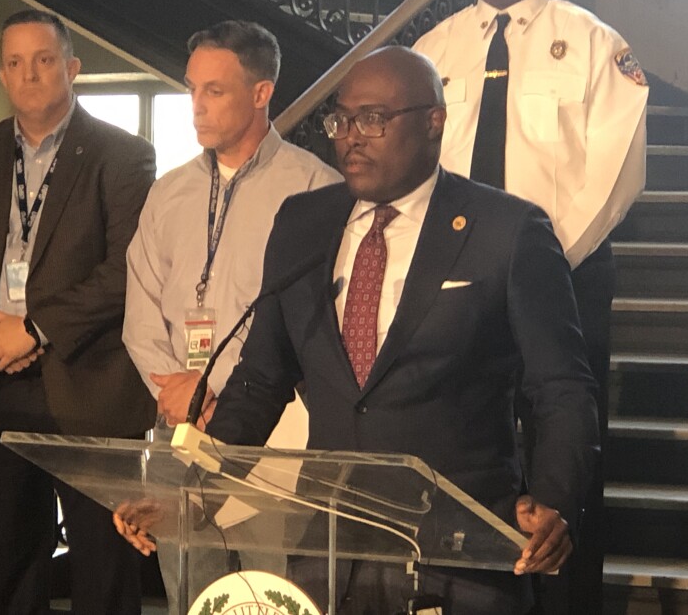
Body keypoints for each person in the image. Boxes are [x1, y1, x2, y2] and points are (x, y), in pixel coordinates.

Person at [203, 46, 599, 615]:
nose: (350, 138)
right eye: (340, 121)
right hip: (330, 552)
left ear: (434, 121)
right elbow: (261, 380)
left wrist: (556, 500)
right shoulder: (302, 223)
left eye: (373, 119)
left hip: (460, 556)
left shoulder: (506, 230)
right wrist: (198, 484)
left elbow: (562, 387)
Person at [413, 0, 649, 610]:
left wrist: (537, 266)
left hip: (565, 277)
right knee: (463, 441)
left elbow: (615, 172)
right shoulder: (433, 49)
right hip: (455, 287)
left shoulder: (596, 44)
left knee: (563, 457)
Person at [0, 10, 156, 614]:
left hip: (89, 386)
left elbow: (127, 268)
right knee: (12, 566)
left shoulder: (123, 156)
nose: (30, 74)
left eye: (44, 60)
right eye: (16, 62)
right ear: (2, 74)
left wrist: (34, 329)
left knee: (104, 569)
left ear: (72, 68)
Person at [116, 20, 341, 610]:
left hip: (275, 432)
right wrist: (180, 393)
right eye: (191, 89)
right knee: (190, 587)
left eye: (214, 91)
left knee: (277, 589)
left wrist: (218, 394)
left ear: (261, 93)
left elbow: (323, 321)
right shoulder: (167, 192)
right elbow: (140, 310)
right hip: (178, 427)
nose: (196, 106)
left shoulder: (317, 189)